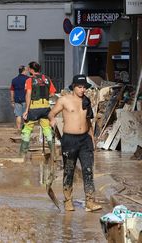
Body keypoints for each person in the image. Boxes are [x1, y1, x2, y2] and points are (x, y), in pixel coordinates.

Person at [48, 74, 102, 212]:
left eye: (84, 87)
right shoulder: (64, 100)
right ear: (74, 87)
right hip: (69, 140)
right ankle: (68, 201)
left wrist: (92, 138)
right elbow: (51, 114)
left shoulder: (86, 101)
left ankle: (90, 201)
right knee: (69, 170)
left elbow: (88, 121)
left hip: (85, 140)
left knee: (88, 170)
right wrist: (52, 120)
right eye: (80, 87)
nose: (82, 90)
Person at [20, 61, 56, 156]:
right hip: (45, 108)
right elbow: (52, 94)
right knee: (47, 129)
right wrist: (44, 96)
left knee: (27, 129)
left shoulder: (30, 80)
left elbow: (28, 94)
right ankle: (53, 152)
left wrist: (26, 110)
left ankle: (23, 153)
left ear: (31, 70)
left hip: (34, 108)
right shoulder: (47, 79)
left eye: (29, 68)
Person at [10, 65, 29, 130]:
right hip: (26, 100)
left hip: (17, 99)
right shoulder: (28, 79)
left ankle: (18, 129)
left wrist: (12, 100)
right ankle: (25, 129)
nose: (27, 71)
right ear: (24, 71)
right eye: (26, 70)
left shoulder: (14, 80)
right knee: (25, 115)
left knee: (18, 115)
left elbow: (12, 90)